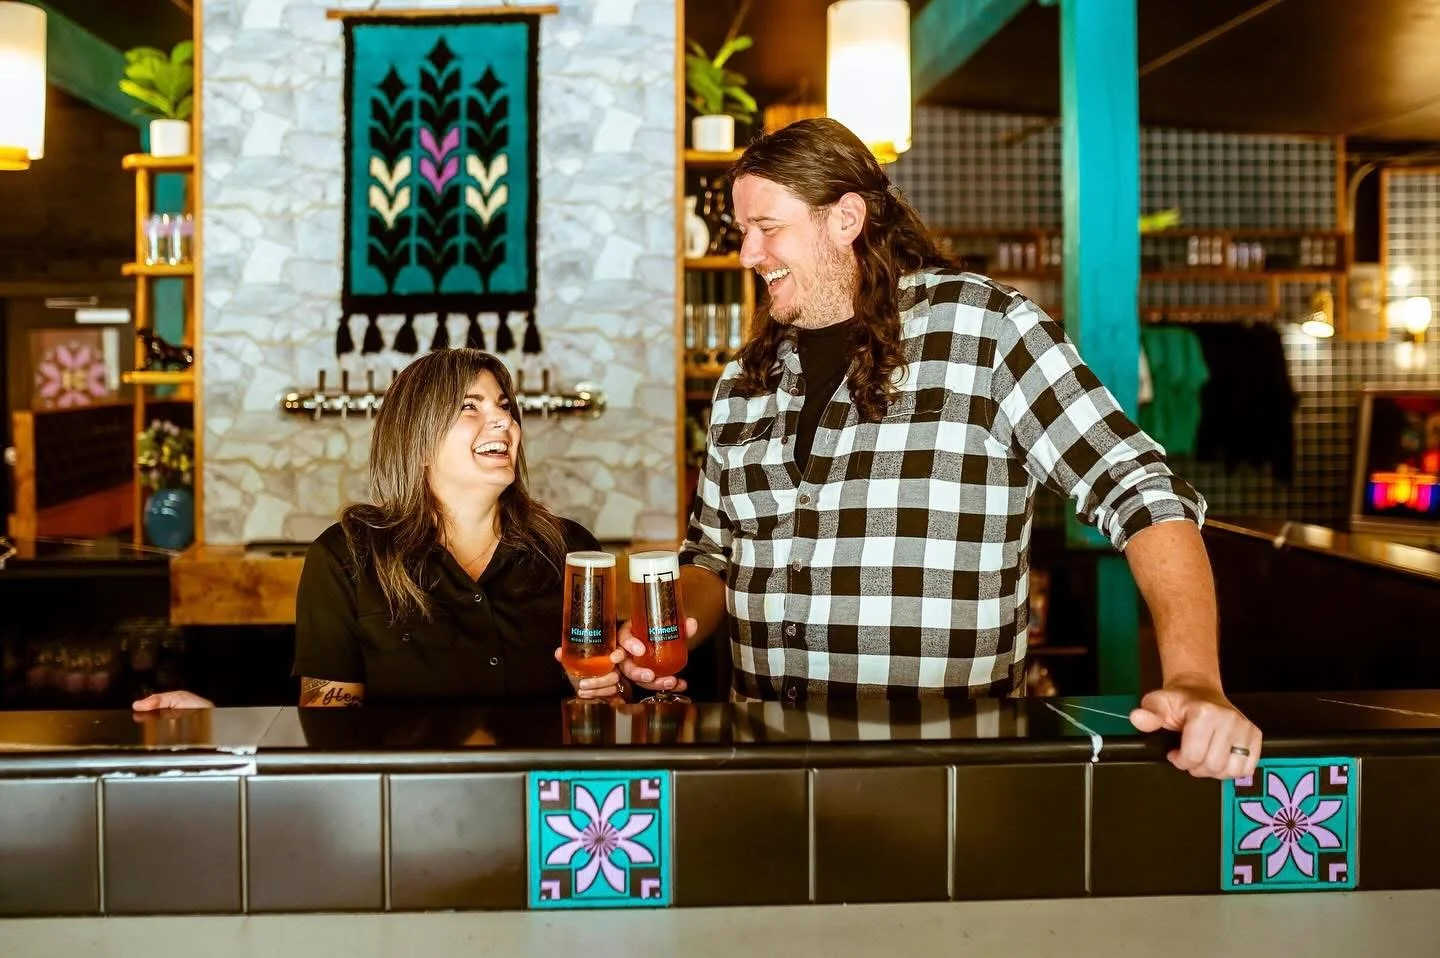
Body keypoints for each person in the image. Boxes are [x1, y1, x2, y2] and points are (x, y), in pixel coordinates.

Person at [619, 117, 1261, 781]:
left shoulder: (985, 330)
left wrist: (1195, 679)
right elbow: (711, 555)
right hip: (765, 769)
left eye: (767, 227)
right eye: (742, 230)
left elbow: (1139, 489)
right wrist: (662, 638)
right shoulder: (743, 382)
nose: (748, 254)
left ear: (845, 219)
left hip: (948, 775)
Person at [135, 348, 629, 710]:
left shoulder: (570, 550)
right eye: (471, 406)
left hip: (543, 802)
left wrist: (605, 689)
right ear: (417, 441)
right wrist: (228, 731)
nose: (503, 421)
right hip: (405, 807)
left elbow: (610, 703)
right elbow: (329, 725)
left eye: (504, 406)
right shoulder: (347, 558)